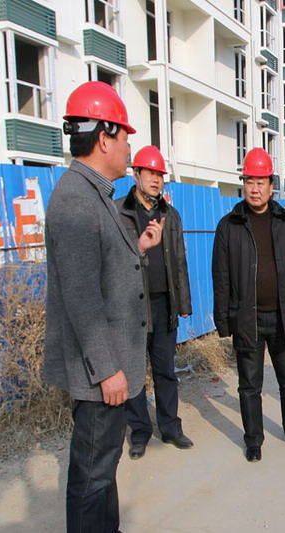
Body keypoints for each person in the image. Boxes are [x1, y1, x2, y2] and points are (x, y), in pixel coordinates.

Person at [43, 81, 164, 532]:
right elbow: (81, 296)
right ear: (104, 137)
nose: (130, 147)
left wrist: (139, 246)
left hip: (107, 369)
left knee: (102, 471)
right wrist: (107, 369)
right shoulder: (76, 200)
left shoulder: (94, 194)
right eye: (126, 136)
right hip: (100, 376)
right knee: (92, 479)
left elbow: (101, 269)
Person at [211, 147, 285, 463]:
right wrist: (224, 321)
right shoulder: (229, 225)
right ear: (244, 184)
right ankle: (253, 440)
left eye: (260, 182)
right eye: (249, 182)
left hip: (282, 316)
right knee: (249, 385)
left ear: (271, 185)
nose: (254, 189)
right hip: (247, 318)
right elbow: (221, 276)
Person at [116, 145, 194, 460]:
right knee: (134, 373)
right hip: (132, 307)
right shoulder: (120, 213)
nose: (155, 179)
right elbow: (113, 262)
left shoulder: (170, 216)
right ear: (136, 174)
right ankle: (140, 433)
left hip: (164, 307)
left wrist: (184, 303)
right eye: (149, 172)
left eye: (159, 174)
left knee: (165, 371)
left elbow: (180, 261)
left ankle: (171, 428)